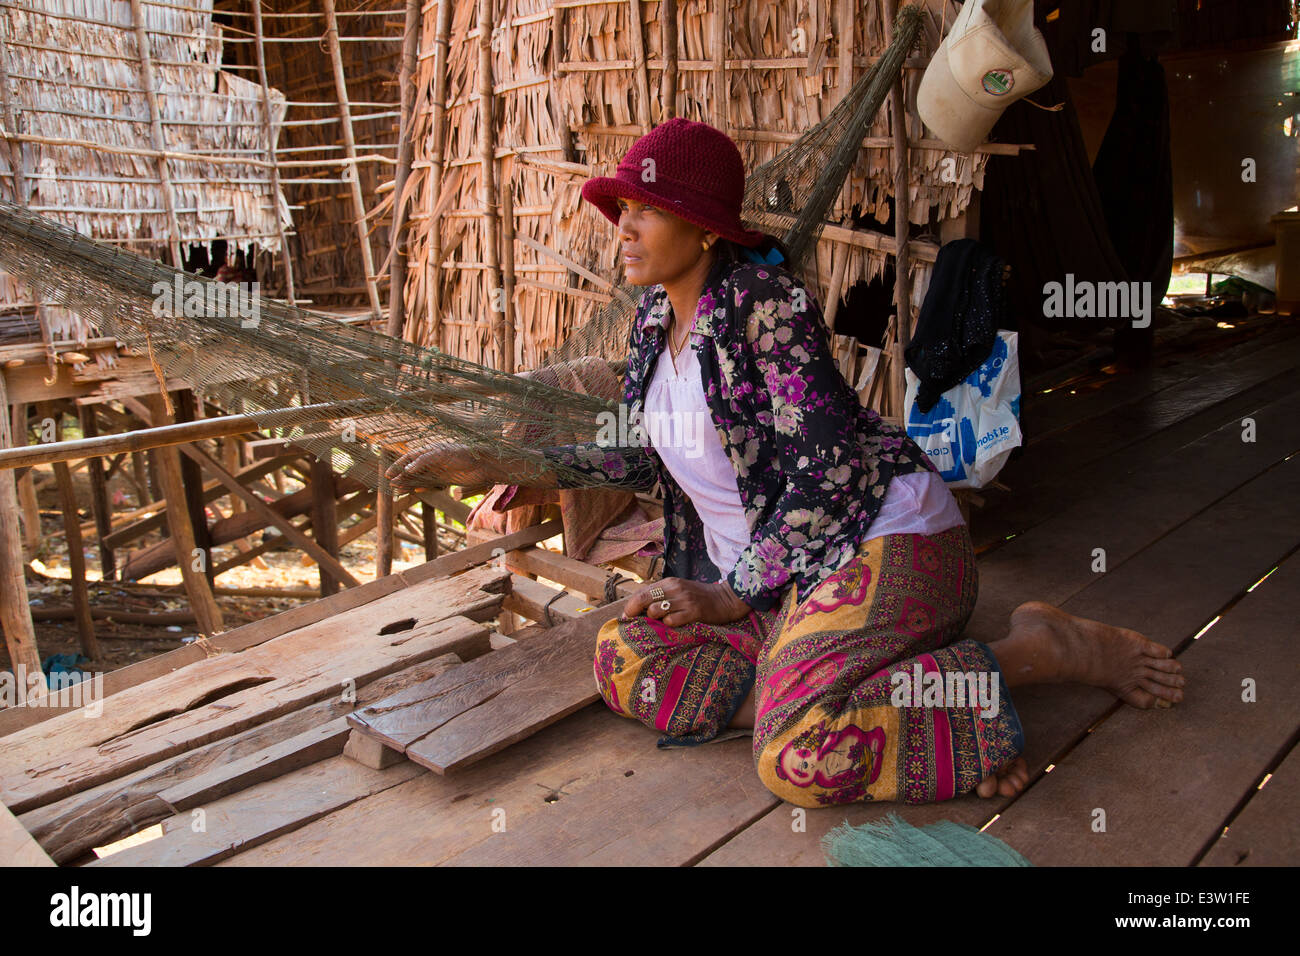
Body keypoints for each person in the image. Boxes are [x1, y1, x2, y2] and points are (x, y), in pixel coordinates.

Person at [390, 118, 1185, 807]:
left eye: (647, 210)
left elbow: (828, 478)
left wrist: (730, 597)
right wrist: (504, 461)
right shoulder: (651, 324)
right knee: (623, 656)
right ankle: (882, 701)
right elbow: (645, 454)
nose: (622, 228)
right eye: (622, 208)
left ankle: (1037, 653)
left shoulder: (767, 309)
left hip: (882, 542)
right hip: (776, 588)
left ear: (704, 228)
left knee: (797, 755)